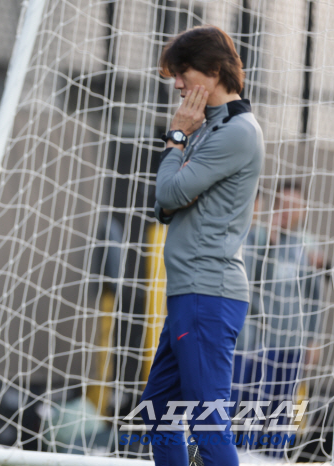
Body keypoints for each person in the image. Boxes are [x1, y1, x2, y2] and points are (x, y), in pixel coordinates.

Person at [140, 26, 264, 466]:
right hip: (190, 294)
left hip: (207, 293)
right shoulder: (209, 128)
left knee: (208, 425)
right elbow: (166, 207)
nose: (176, 84)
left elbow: (170, 195)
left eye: (182, 73)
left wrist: (175, 137)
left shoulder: (236, 132)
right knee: (156, 417)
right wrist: (184, 143)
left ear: (213, 72)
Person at [232, 180, 322, 454]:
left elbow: (314, 298)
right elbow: (249, 283)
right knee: (251, 407)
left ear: (303, 210)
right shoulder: (258, 238)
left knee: (282, 409)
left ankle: (273, 458)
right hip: (260, 343)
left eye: (293, 206)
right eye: (281, 205)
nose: (286, 211)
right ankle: (241, 455)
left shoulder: (308, 247)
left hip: (292, 345)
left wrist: (313, 339)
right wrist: (268, 246)